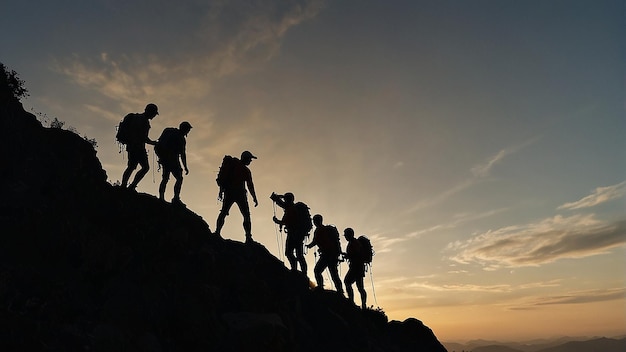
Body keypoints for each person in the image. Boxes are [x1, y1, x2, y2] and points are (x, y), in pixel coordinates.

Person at [215, 151, 258, 243]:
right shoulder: (245, 170)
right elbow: (250, 185)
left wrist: (221, 190)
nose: (250, 161)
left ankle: (217, 232)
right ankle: (248, 237)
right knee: (246, 216)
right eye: (250, 159)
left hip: (229, 192)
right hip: (240, 194)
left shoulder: (233, 164)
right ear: (245, 158)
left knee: (223, 212)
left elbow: (225, 178)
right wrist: (254, 197)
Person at [120, 103, 159, 190]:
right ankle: (131, 186)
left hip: (131, 146)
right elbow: (143, 137)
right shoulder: (144, 121)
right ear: (150, 112)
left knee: (131, 167)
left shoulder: (136, 118)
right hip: (138, 148)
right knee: (145, 167)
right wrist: (153, 143)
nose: (154, 116)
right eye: (154, 114)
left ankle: (124, 185)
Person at [271, 192, 309, 273]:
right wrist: (279, 197)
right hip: (297, 234)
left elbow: (287, 221)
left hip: (294, 233)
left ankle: (295, 269)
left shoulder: (291, 208)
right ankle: (302, 272)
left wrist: (277, 221)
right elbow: (282, 204)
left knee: (290, 253)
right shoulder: (291, 208)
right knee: (298, 255)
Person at [155, 121, 192, 206]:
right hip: (172, 160)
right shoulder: (181, 138)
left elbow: (159, 142)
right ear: (185, 129)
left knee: (165, 178)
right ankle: (176, 198)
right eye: (188, 130)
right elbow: (182, 154)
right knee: (179, 178)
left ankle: (161, 197)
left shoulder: (169, 131)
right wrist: (185, 167)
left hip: (164, 159)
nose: (188, 132)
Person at [306, 214, 343, 294]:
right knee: (334, 274)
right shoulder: (325, 230)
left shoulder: (319, 231)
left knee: (317, 271)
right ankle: (340, 291)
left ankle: (320, 287)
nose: (314, 222)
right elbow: (318, 242)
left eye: (314, 221)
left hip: (327, 255)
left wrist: (309, 246)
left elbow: (315, 241)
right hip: (332, 255)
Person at [343, 227, 367, 309]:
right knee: (360, 287)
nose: (345, 237)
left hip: (356, 267)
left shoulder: (354, 243)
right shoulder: (354, 242)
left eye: (346, 235)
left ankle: (351, 302)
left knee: (347, 282)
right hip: (358, 267)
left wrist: (347, 256)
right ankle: (363, 304)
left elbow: (356, 254)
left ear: (350, 235)